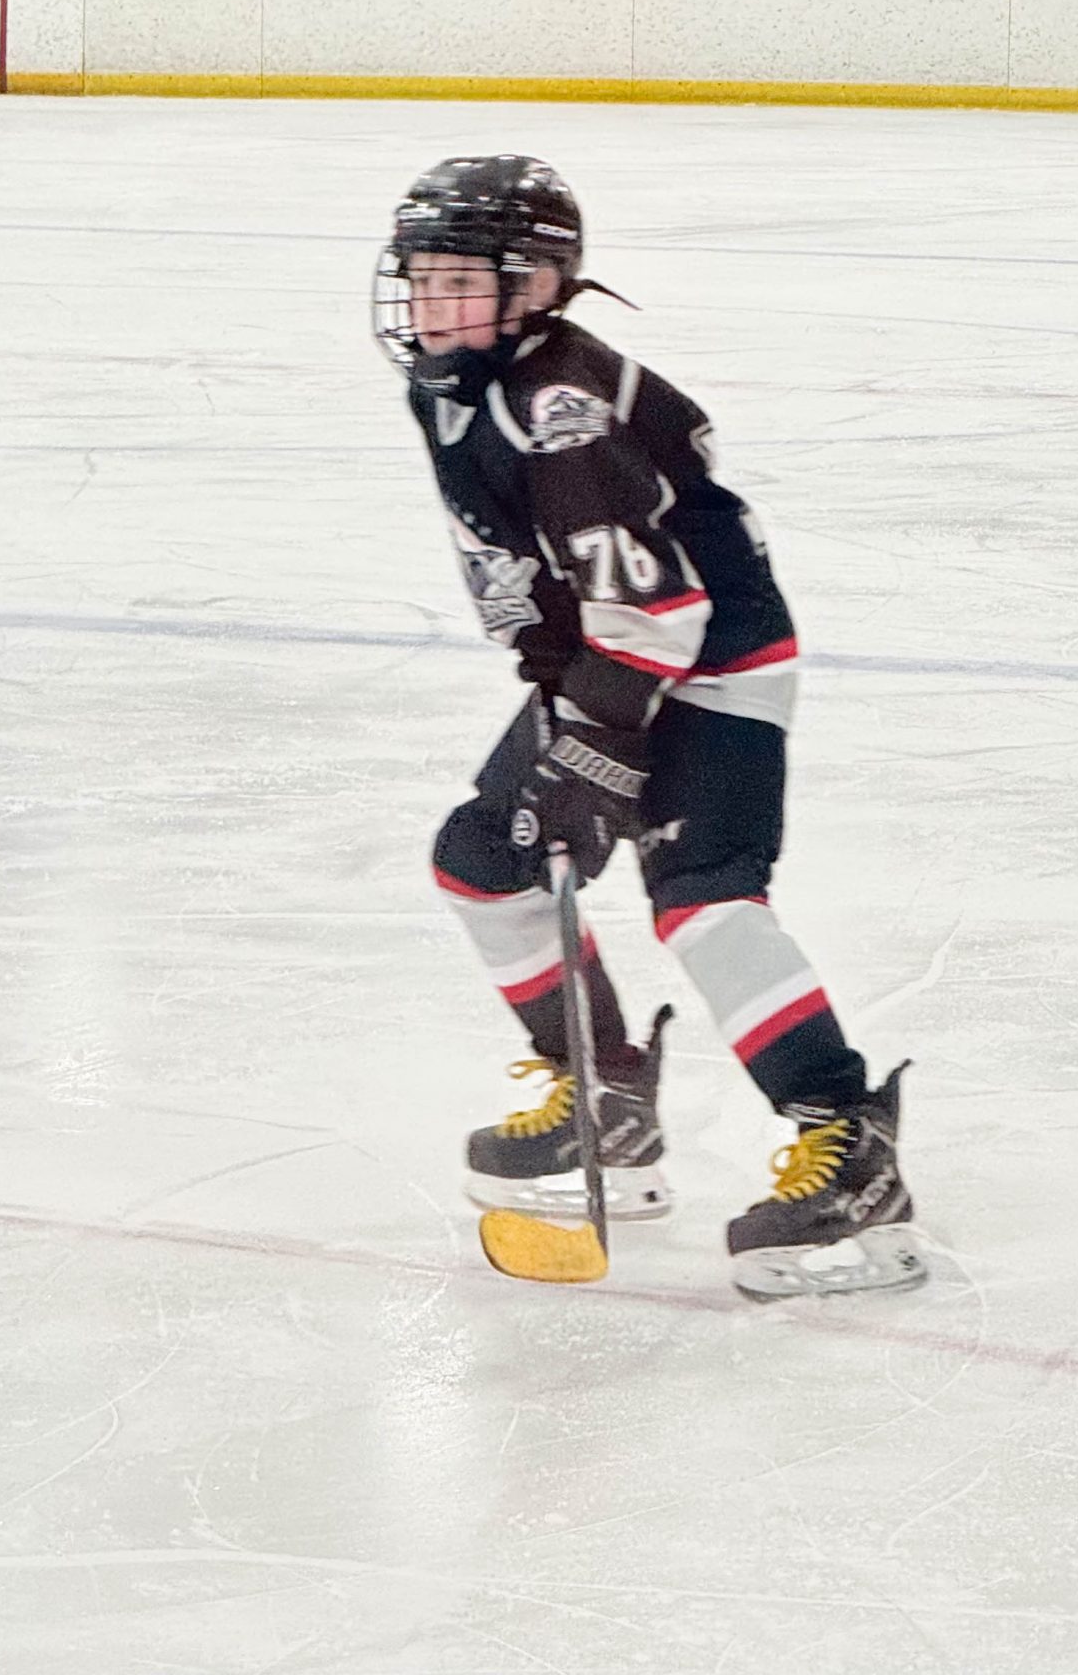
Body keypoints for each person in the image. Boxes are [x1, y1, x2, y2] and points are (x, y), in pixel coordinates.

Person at [374, 156, 922, 1298]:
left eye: (459, 281)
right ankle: (604, 1093)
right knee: (484, 862)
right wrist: (568, 711)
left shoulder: (559, 410)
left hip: (709, 669)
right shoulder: (462, 381)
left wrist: (593, 743)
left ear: (536, 287)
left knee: (704, 897)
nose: (430, 305)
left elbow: (660, 610)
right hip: (607, 664)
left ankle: (847, 1141)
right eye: (421, 279)